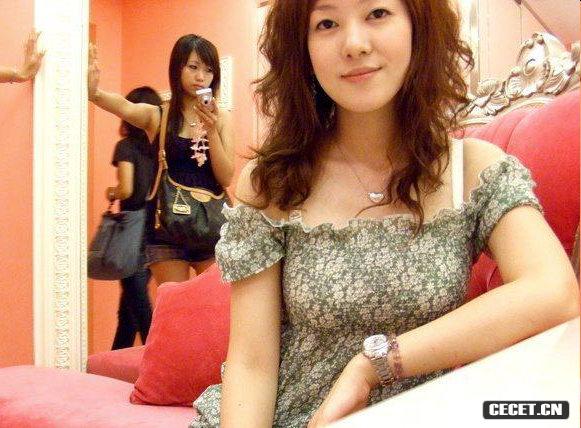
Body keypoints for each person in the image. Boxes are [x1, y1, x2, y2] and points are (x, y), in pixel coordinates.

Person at [189, 1, 580, 427]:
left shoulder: (473, 170)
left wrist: (376, 363)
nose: (354, 43)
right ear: (303, 48)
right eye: (326, 23)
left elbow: (554, 291)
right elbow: (251, 364)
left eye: (377, 13)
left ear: (417, 25)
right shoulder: (274, 182)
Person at [88, 34, 235, 285]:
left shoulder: (221, 118)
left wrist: (211, 130)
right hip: (167, 228)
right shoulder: (159, 115)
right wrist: (94, 93)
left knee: (214, 305)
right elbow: (124, 107)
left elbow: (226, 177)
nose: (201, 76)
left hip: (211, 224)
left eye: (209, 70)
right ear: (177, 68)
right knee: (174, 304)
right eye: (193, 67)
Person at [106, 86, 162, 350]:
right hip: (156, 229)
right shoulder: (159, 148)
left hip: (132, 229)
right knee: (128, 310)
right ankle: (112, 364)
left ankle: (159, 355)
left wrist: (111, 192)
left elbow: (126, 189)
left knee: (138, 304)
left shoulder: (126, 146)